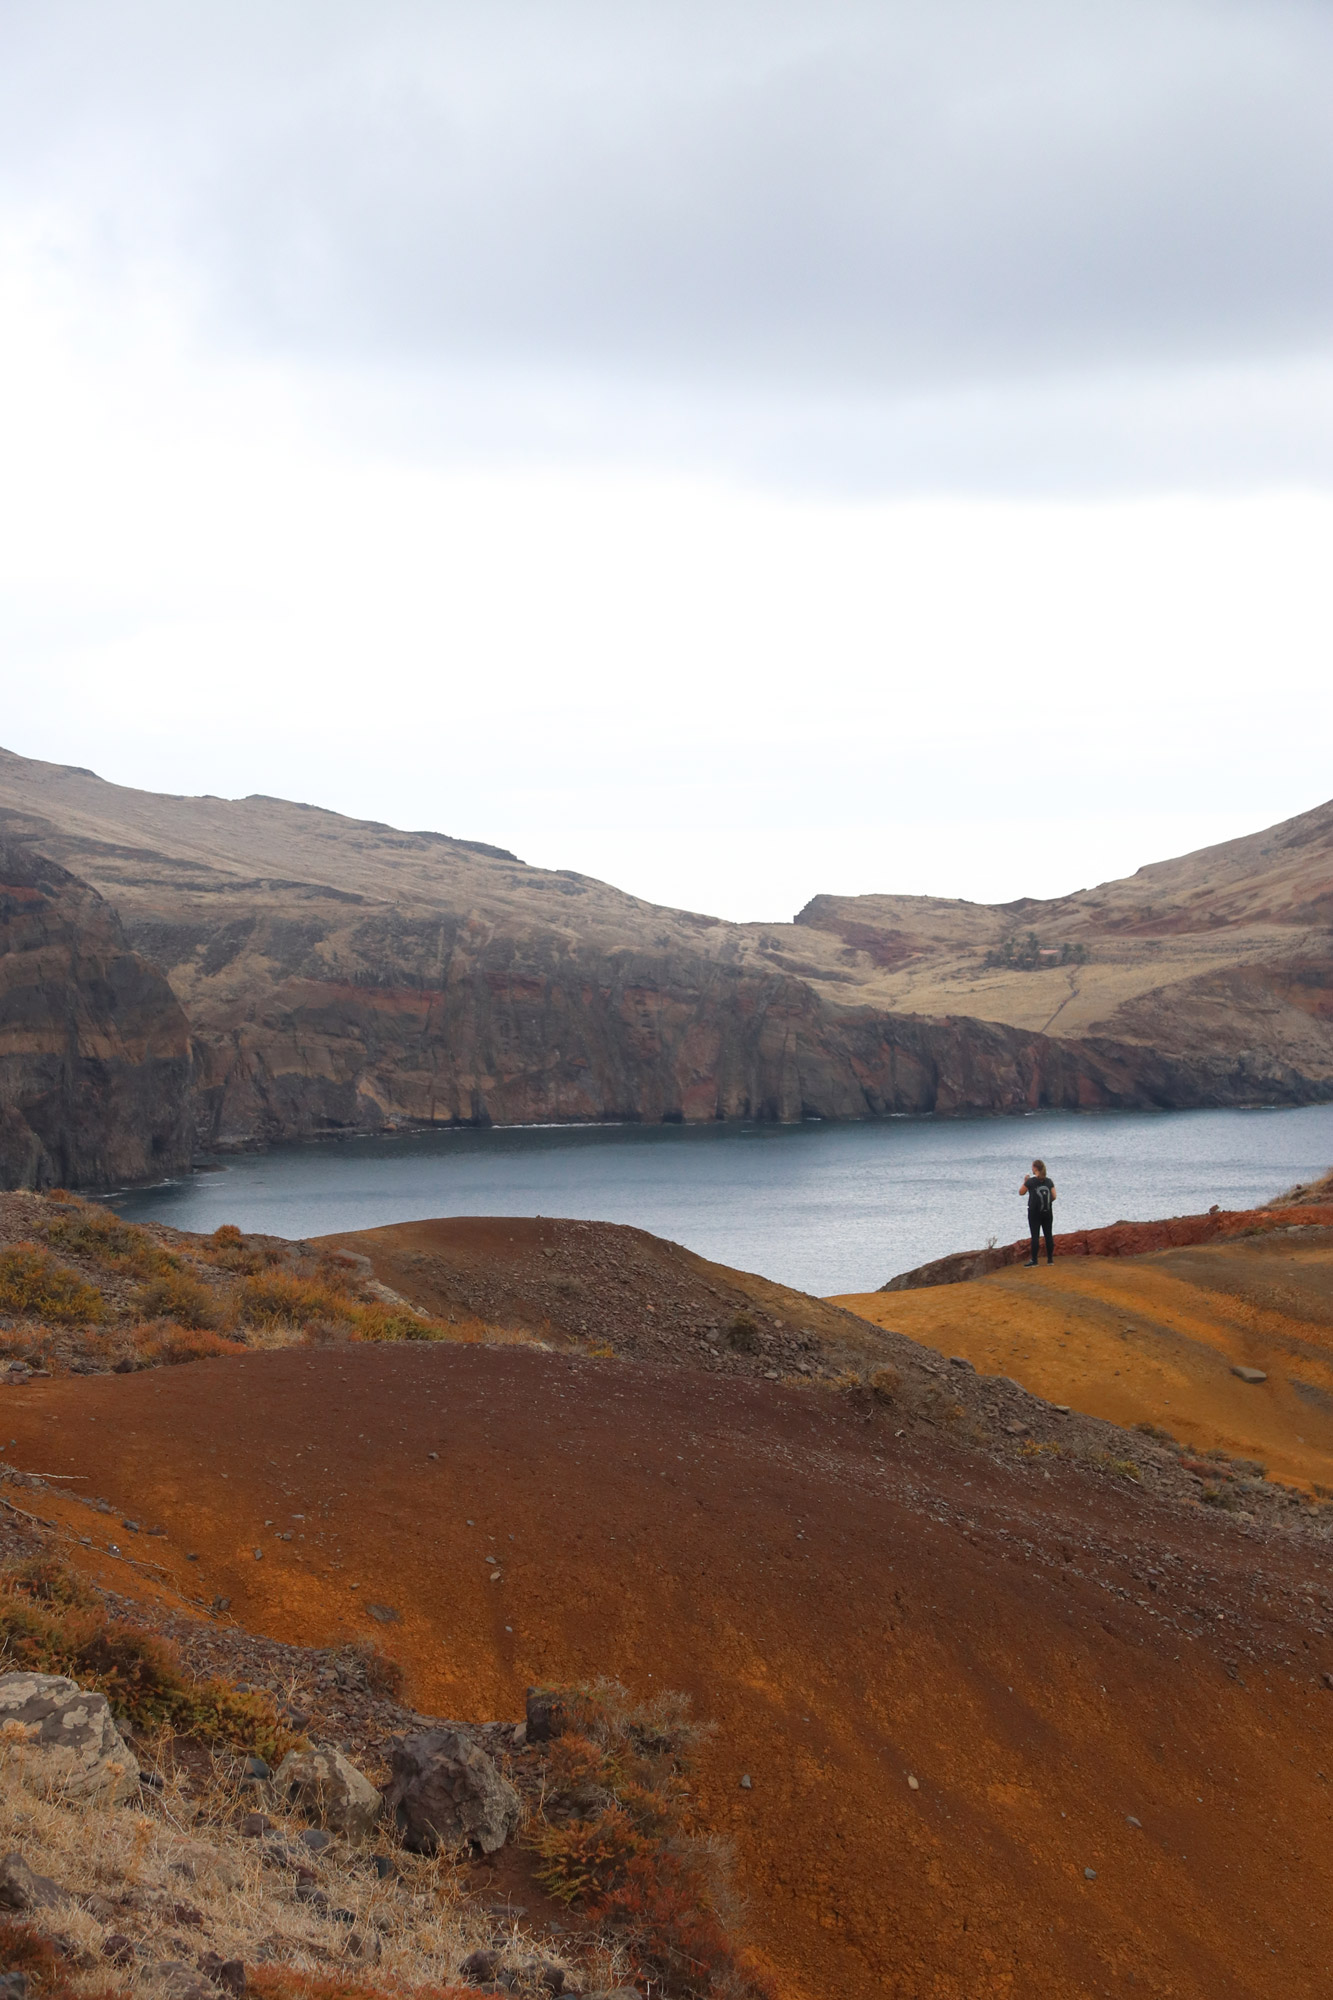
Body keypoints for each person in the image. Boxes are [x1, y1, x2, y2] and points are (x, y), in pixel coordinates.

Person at [1020, 1158, 1056, 1266]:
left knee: (1035, 1236)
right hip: (1047, 1211)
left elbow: (1021, 1192)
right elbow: (1054, 1196)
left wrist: (1025, 1181)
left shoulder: (1031, 1181)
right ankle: (1050, 1260)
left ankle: (1034, 1260)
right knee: (1048, 1235)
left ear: (1035, 1168)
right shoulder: (1049, 1181)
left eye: (1032, 1167)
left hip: (1034, 1212)